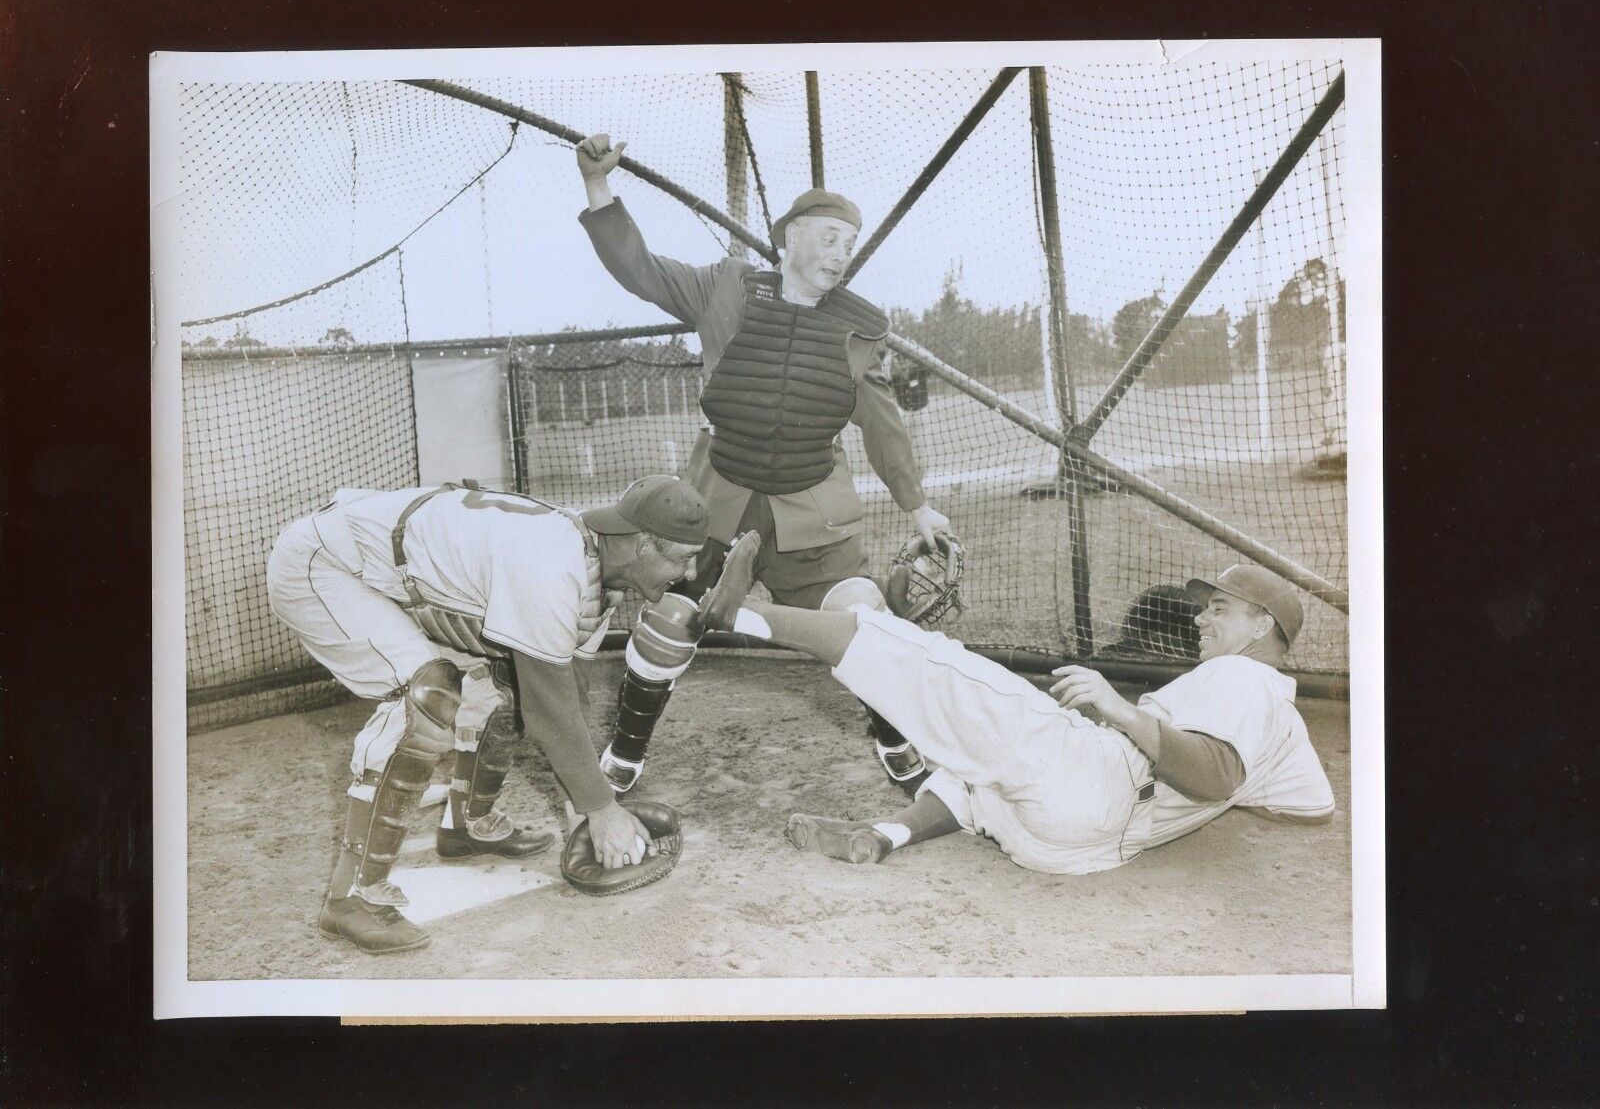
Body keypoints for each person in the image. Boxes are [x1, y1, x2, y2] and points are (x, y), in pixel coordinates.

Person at [574, 132, 952, 796]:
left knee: (863, 621)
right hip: (717, 502)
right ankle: (626, 751)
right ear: (791, 239)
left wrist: (917, 505)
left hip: (814, 511)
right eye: (829, 236)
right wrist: (598, 186)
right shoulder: (726, 289)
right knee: (670, 618)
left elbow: (883, 425)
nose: (842, 252)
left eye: (849, 242)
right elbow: (641, 269)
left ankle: (892, 737)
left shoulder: (859, 327)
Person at [266, 474, 754, 953]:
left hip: (387, 571)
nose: (689, 576)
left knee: (507, 683)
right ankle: (350, 900)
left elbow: (568, 697)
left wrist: (585, 808)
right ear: (644, 545)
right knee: (426, 696)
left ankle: (467, 826)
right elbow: (550, 711)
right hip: (324, 566)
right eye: (685, 558)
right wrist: (603, 811)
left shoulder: (596, 574)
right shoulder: (551, 569)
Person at [710, 556, 1334, 875]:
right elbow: (1312, 806)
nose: (1200, 618)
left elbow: (1219, 775)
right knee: (980, 767)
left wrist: (1117, 709)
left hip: (1101, 779)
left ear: (1262, 628)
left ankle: (736, 616)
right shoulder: (1284, 717)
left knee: (943, 669)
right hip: (1077, 849)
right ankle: (886, 834)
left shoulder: (1240, 677)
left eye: (1220, 609)